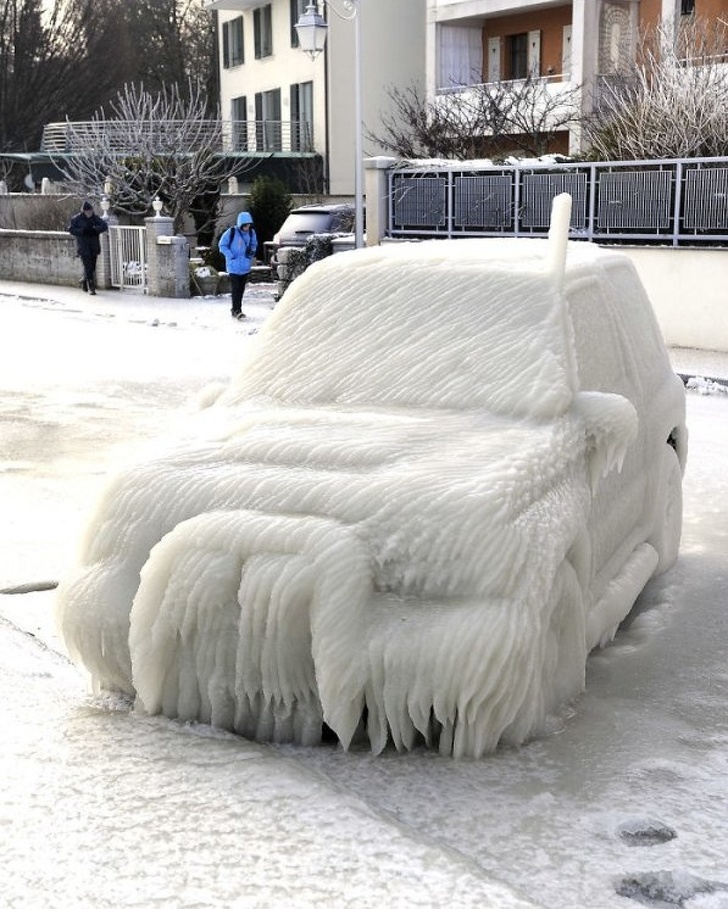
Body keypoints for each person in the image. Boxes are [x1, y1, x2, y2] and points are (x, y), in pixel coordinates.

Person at [219, 211, 258, 320]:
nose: (247, 227)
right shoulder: (231, 232)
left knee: (241, 289)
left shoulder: (251, 233)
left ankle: (237, 309)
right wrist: (230, 255)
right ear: (241, 224)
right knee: (235, 289)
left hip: (245, 266)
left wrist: (251, 252)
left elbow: (254, 244)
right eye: (245, 225)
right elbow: (222, 245)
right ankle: (236, 310)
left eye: (249, 225)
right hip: (233, 266)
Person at [68, 200, 108, 295]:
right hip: (83, 246)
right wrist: (83, 231)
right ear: (84, 211)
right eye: (87, 211)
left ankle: (84, 280)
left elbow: (104, 225)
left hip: (94, 246)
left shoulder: (95, 218)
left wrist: (95, 230)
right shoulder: (77, 219)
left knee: (92, 267)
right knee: (88, 267)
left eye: (91, 211)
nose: (89, 213)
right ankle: (91, 287)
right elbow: (71, 229)